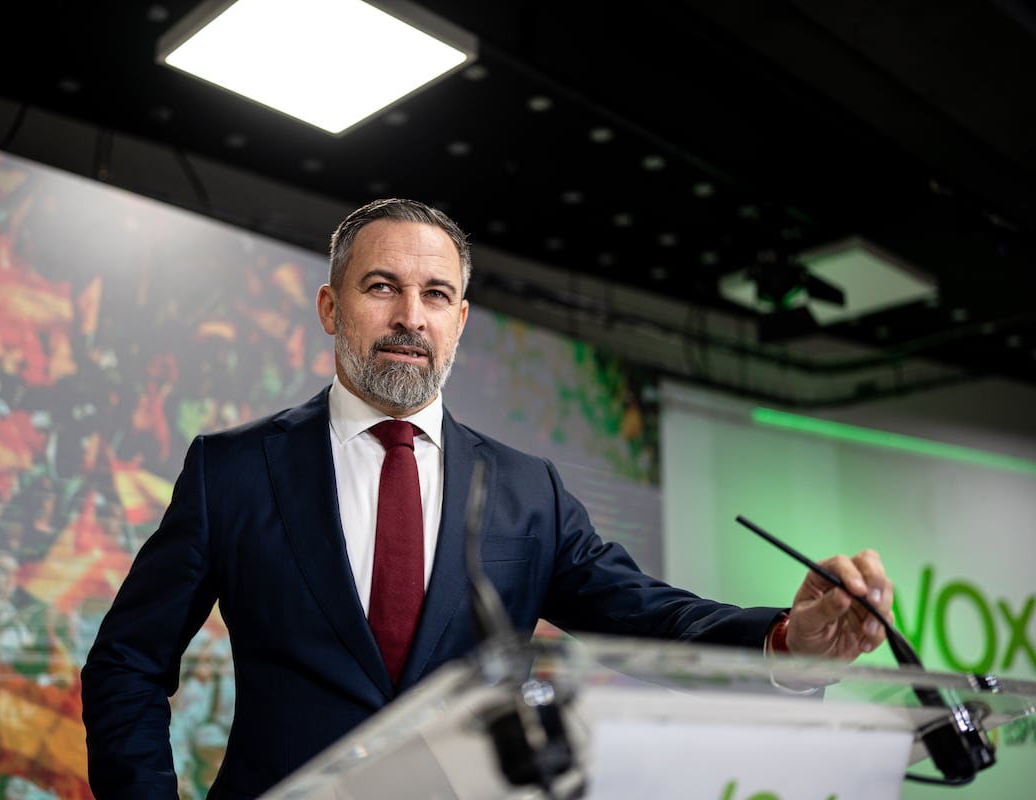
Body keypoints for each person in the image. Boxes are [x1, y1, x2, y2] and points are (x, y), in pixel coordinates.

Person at [80, 198, 895, 799]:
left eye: (436, 295)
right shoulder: (233, 471)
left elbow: (650, 619)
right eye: (381, 287)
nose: (410, 317)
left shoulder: (526, 491)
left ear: (461, 320)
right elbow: (127, 662)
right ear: (331, 307)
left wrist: (788, 642)